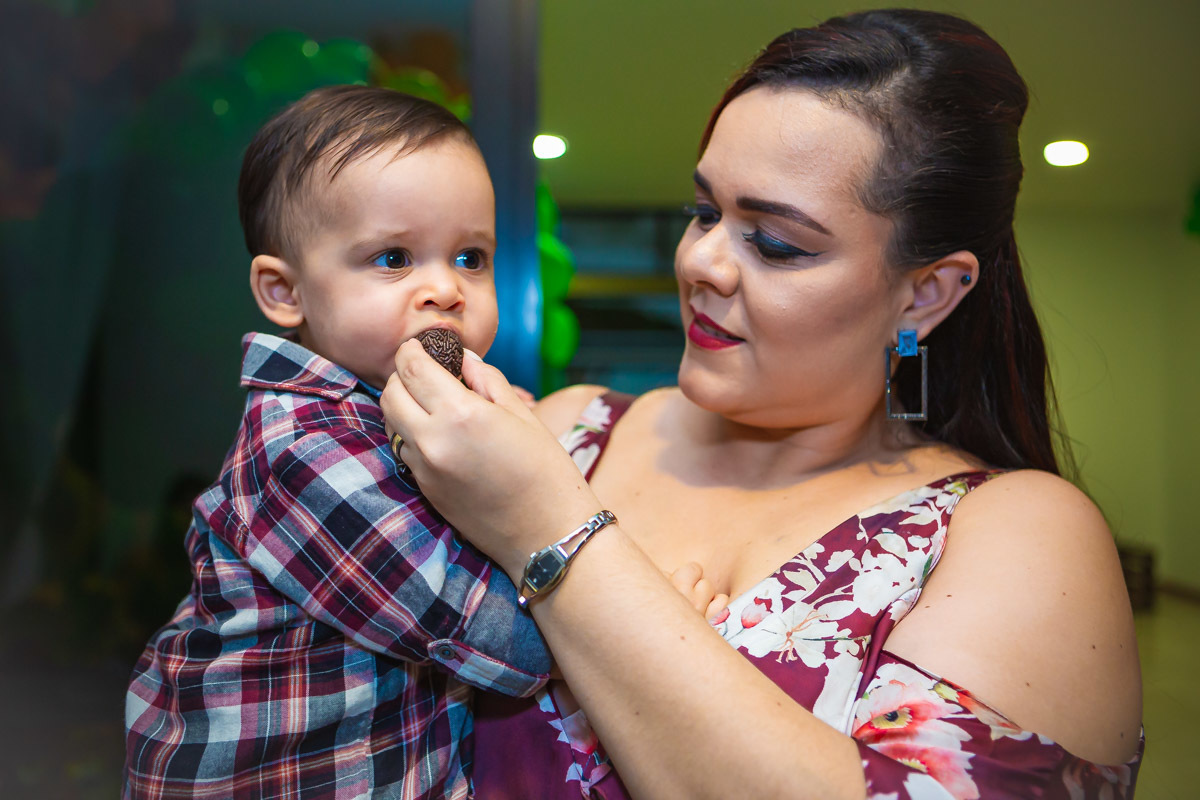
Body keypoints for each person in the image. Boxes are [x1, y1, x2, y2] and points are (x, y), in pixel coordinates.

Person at [380, 9, 1143, 799]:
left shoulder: (1015, 534)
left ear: (924, 295)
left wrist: (548, 530)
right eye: (705, 212)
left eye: (776, 243)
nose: (701, 262)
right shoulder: (566, 426)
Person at [123, 85, 553, 800]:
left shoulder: (398, 412)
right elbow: (501, 645)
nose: (446, 289)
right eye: (393, 258)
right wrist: (615, 600)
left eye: (471, 257)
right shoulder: (305, 451)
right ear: (285, 293)